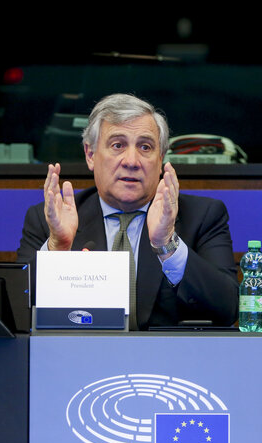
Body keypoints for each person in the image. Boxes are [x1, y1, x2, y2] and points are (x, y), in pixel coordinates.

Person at [17, 93, 238, 330]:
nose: (131, 161)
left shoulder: (202, 216)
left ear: (160, 158)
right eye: (117, 145)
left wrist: (166, 245)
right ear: (90, 155)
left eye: (145, 147)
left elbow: (227, 309)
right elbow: (18, 311)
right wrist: (57, 250)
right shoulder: (49, 220)